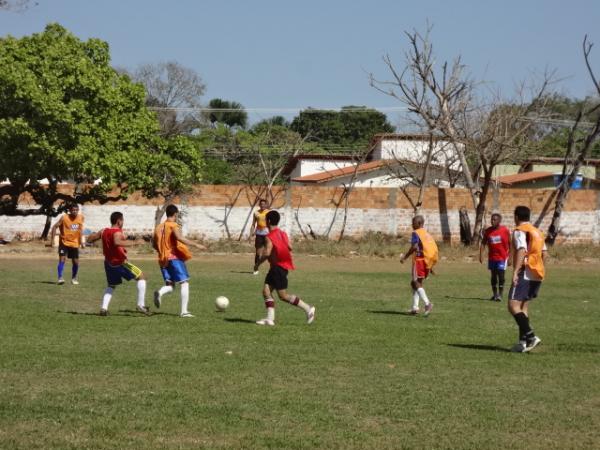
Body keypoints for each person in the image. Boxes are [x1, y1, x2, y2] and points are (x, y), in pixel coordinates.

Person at [255, 210, 315, 326]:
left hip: (278, 268)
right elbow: (290, 247)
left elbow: (267, 253)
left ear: (268, 221)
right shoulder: (282, 233)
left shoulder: (269, 236)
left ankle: (308, 309)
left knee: (283, 296)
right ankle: (269, 319)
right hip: (278, 267)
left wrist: (258, 264)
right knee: (266, 291)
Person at [86, 212, 149, 316]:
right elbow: (117, 242)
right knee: (141, 277)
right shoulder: (117, 232)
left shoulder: (104, 231)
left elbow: (90, 239)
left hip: (109, 263)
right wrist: (136, 242)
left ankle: (104, 308)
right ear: (119, 221)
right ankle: (140, 305)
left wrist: (93, 237)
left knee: (111, 285)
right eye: (122, 220)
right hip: (120, 263)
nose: (123, 222)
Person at [152, 204, 206, 318]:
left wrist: (162, 250)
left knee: (170, 285)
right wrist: (196, 244)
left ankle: (160, 293)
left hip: (163, 259)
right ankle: (184, 311)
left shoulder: (159, 227)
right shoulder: (173, 225)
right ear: (175, 214)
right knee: (184, 282)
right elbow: (179, 237)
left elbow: (154, 244)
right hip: (174, 258)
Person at [507, 206, 546, 353]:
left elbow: (522, 250)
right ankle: (522, 343)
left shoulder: (520, 231)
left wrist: (516, 271)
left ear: (516, 216)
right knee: (523, 308)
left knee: (512, 306)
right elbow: (544, 253)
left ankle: (531, 337)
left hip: (525, 271)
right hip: (537, 272)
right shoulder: (537, 232)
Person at [400, 215, 438, 316]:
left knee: (415, 283)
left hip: (419, 261)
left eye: (414, 223)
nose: (412, 225)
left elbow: (414, 246)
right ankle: (415, 307)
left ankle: (427, 303)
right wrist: (431, 265)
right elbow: (429, 249)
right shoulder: (426, 234)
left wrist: (405, 257)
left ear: (419, 223)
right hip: (425, 261)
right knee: (417, 284)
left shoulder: (416, 233)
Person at [49, 203, 85, 285]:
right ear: (70, 210)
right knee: (62, 259)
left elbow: (80, 231)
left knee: (76, 262)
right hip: (64, 242)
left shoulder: (81, 218)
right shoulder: (64, 218)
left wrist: (81, 242)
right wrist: (52, 240)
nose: (74, 211)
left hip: (74, 243)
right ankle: (60, 278)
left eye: (76, 210)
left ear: (78, 210)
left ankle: (74, 278)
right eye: (73, 210)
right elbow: (54, 227)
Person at [479, 213, 511, 301]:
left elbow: (510, 243)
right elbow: (483, 243)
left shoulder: (505, 230)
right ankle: (495, 294)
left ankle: (500, 295)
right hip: (492, 258)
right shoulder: (488, 231)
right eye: (492, 219)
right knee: (493, 276)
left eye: (494, 220)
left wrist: (511, 257)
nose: (492, 221)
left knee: (501, 275)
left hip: (502, 257)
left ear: (499, 221)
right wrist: (481, 255)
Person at [250, 199, 270, 275]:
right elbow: (253, 224)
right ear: (259, 205)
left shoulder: (268, 212)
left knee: (268, 252)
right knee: (258, 252)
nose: (262, 205)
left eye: (264, 204)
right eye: (261, 204)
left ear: (266, 205)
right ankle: (256, 269)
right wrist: (251, 233)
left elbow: (271, 224)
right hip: (259, 234)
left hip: (267, 234)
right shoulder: (256, 213)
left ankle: (271, 269)